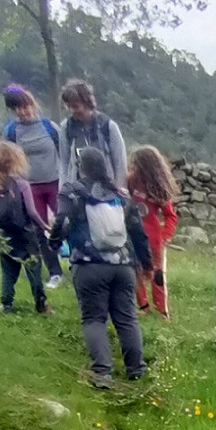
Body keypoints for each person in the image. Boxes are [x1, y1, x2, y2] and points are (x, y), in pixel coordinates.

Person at [49, 147, 152, 389]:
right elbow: (138, 231)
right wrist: (147, 263)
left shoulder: (73, 192)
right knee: (127, 318)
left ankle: (102, 373)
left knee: (94, 319)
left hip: (89, 265)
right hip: (123, 266)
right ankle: (137, 370)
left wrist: (54, 243)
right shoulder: (120, 194)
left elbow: (62, 221)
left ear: (80, 167)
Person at [1, 83, 65, 285]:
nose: (23, 111)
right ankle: (55, 272)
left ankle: (76, 261)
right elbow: (8, 161)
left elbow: (64, 154)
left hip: (55, 182)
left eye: (26, 106)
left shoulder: (50, 128)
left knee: (65, 222)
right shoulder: (11, 132)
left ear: (33, 104)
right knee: (39, 230)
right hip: (30, 187)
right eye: (18, 108)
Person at [0, 141, 49, 316]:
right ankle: (41, 304)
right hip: (25, 234)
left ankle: (6, 304)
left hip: (5, 235)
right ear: (14, 161)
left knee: (8, 272)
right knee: (34, 269)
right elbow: (32, 212)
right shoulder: (21, 184)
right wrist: (44, 226)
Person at [127, 145, 179, 316]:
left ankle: (162, 310)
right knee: (136, 270)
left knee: (157, 275)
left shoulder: (157, 187)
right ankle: (144, 307)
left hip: (154, 239)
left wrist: (165, 235)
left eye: (136, 164)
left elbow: (170, 215)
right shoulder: (131, 181)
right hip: (133, 236)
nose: (133, 166)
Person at [56, 79, 128, 192]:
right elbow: (64, 164)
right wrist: (63, 192)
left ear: (87, 102)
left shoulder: (108, 126)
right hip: (79, 192)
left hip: (106, 191)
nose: (71, 110)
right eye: (68, 106)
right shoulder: (66, 128)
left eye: (75, 106)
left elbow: (120, 163)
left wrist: (119, 190)